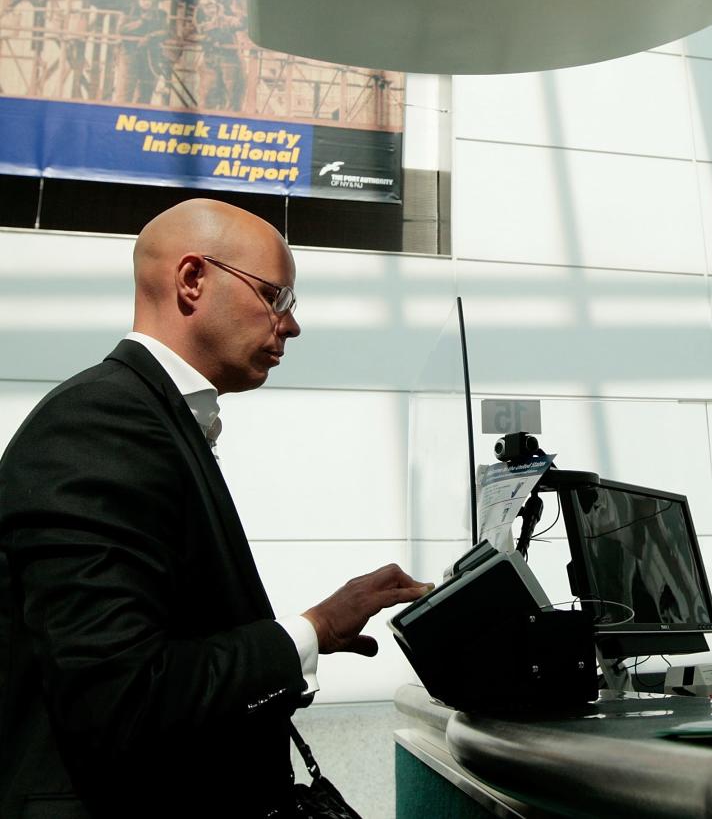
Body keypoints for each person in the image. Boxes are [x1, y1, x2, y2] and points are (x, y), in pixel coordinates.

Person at [0, 199, 434, 817]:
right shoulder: (101, 421)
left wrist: (321, 624)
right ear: (192, 279)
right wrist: (305, 635)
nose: (291, 325)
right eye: (276, 296)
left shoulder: (143, 416)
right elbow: (124, 697)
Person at [112, 0, 167, 105]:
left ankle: (139, 117)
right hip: (129, 54)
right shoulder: (128, 12)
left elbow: (166, 31)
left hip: (150, 56)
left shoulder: (160, 14)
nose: (147, 2)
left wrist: (150, 37)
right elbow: (121, 29)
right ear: (137, 0)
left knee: (146, 90)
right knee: (125, 89)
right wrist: (141, 21)